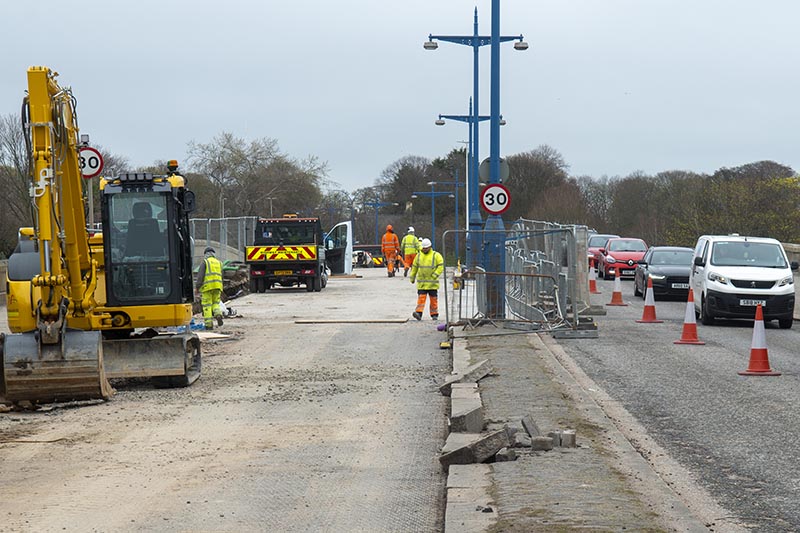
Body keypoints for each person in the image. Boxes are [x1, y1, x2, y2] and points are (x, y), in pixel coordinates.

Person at [410, 238, 444, 321]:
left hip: (432, 283)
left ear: (430, 247)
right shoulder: (418, 256)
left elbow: (441, 265)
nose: (424, 249)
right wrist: (412, 277)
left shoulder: (436, 255)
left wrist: (435, 274)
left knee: (433, 300)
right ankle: (418, 313)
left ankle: (434, 314)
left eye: (426, 248)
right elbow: (414, 267)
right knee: (421, 299)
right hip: (422, 283)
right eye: (423, 248)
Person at [196, 247, 224, 330]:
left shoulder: (205, 262)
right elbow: (222, 275)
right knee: (216, 303)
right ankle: (218, 314)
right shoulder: (219, 263)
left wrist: (197, 287)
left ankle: (209, 325)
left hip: (207, 287)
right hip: (218, 286)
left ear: (206, 254)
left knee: (207, 305)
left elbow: (200, 276)